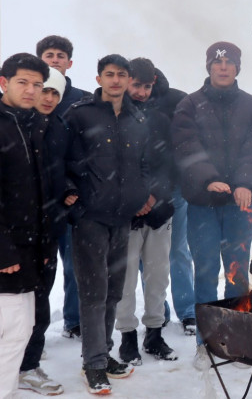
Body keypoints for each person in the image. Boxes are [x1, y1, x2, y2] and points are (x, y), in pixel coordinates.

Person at [172, 41, 252, 369]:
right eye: (217, 63)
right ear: (209, 67)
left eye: (229, 63)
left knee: (238, 271)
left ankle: (237, 337)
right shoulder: (189, 105)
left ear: (238, 68)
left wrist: (245, 183)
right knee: (206, 269)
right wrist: (208, 177)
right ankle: (205, 339)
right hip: (202, 203)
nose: (223, 68)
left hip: (240, 205)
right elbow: (186, 146)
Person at [63, 54, 151, 394]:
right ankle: (93, 364)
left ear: (129, 80)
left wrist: (141, 193)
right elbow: (64, 159)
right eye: (109, 74)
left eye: (121, 75)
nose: (116, 80)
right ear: (99, 78)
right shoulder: (81, 114)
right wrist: (73, 194)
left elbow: (144, 162)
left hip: (123, 217)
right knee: (93, 292)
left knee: (114, 291)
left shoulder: (137, 117)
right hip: (90, 217)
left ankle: (104, 353)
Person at [0, 53, 51, 399]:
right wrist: (0, 251)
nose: (32, 91)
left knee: (20, 332)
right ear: (3, 83)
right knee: (6, 337)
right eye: (23, 83)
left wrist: (42, 247)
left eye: (38, 85)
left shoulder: (28, 124)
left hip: (27, 250)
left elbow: (36, 193)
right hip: (4, 255)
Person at [115, 58, 177, 366]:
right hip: (124, 213)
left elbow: (169, 164)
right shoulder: (112, 115)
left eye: (146, 86)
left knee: (157, 276)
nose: (141, 92)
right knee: (125, 280)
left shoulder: (162, 119)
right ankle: (127, 337)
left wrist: (154, 197)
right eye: (136, 85)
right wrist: (133, 200)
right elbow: (113, 166)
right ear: (126, 81)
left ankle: (154, 333)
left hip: (160, 209)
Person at [36, 35, 91, 340]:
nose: (54, 59)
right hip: (36, 200)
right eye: (48, 55)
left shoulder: (82, 100)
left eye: (60, 56)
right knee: (39, 270)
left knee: (74, 265)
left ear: (70, 63)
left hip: (72, 200)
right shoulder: (27, 100)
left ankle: (74, 319)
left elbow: (84, 150)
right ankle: (34, 330)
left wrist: (74, 185)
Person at [17, 67, 68, 396]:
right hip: (14, 232)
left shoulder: (59, 128)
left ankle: (28, 364)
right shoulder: (12, 127)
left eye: (54, 93)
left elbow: (67, 170)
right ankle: (15, 363)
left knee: (39, 301)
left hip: (47, 229)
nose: (47, 98)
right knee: (11, 305)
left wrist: (69, 190)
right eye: (43, 90)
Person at [151, 68, 196, 336]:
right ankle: (158, 311)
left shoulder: (179, 100)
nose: (143, 89)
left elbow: (190, 141)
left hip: (176, 187)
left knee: (178, 250)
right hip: (143, 193)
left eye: (148, 83)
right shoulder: (129, 102)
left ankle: (187, 311)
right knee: (149, 257)